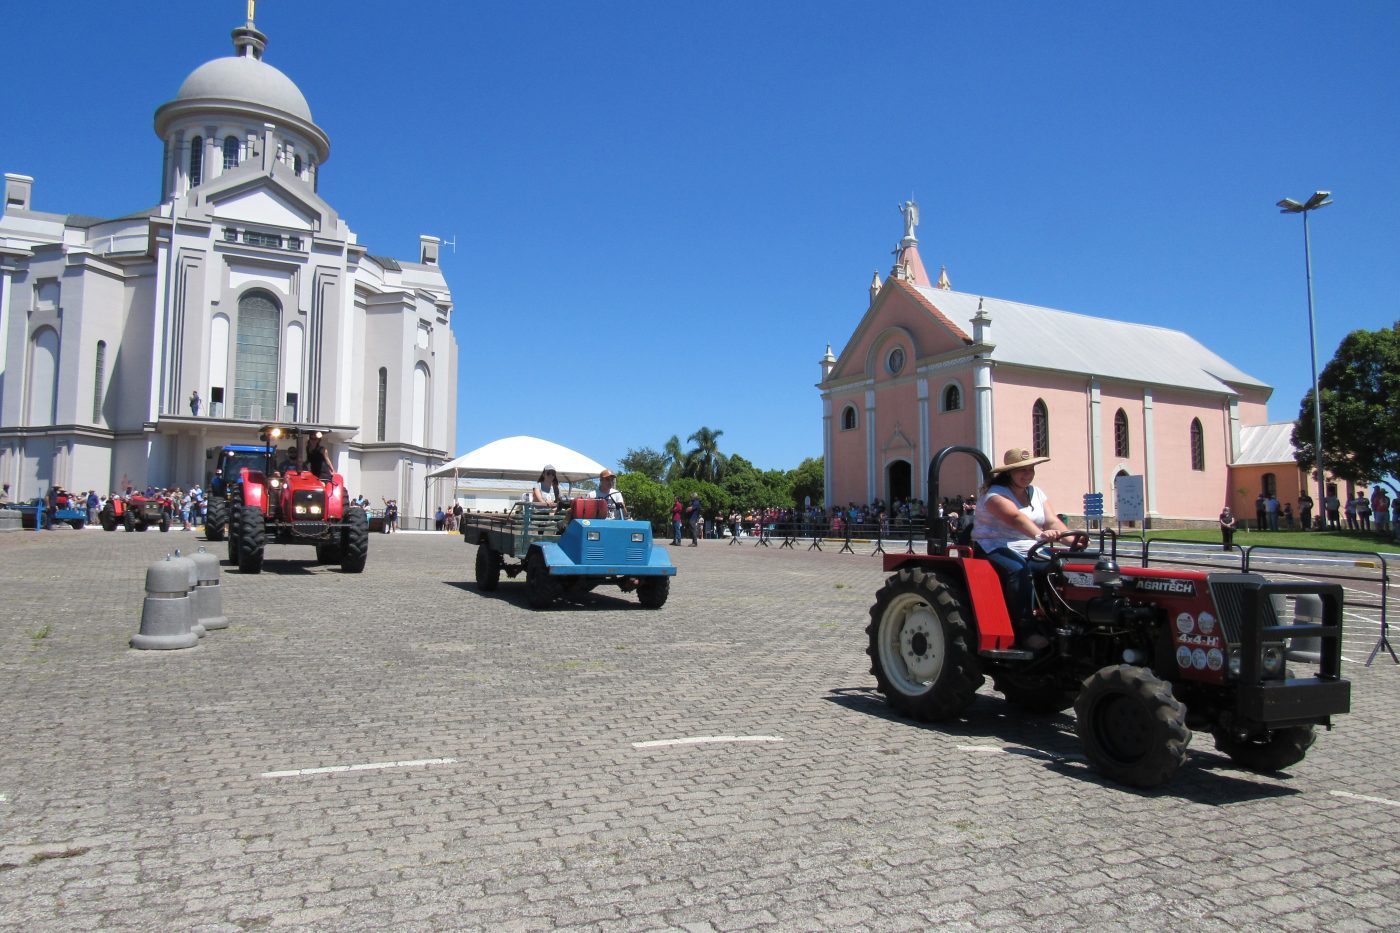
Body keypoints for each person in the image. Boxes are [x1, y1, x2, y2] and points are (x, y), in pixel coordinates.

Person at [970, 447, 1072, 651]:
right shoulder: (995, 495)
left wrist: (1073, 540)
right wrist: (1039, 535)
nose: (1027, 474)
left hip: (1030, 545)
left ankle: (1059, 619)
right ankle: (1025, 629)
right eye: (1021, 470)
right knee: (1019, 570)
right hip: (994, 545)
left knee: (1060, 567)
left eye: (1030, 469)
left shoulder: (1037, 493)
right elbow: (1015, 518)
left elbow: (1052, 521)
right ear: (1009, 472)